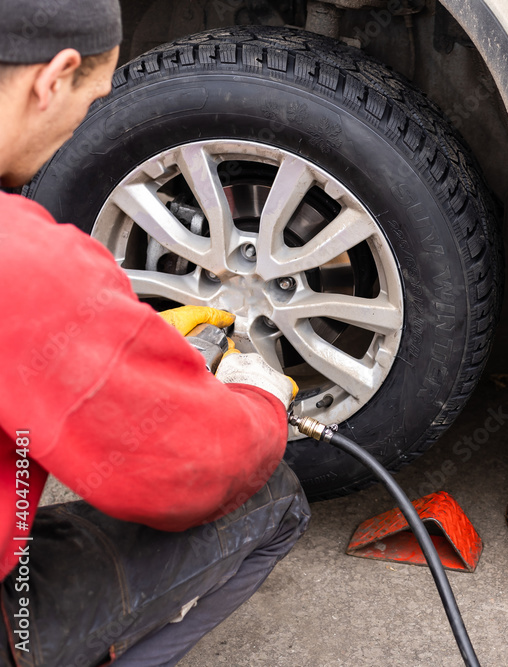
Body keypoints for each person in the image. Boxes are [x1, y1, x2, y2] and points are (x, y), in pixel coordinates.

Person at [0, 2, 310, 665]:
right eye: (94, 95)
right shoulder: (23, 261)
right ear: (52, 79)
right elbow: (180, 471)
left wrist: (112, 347)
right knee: (277, 498)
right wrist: (258, 402)